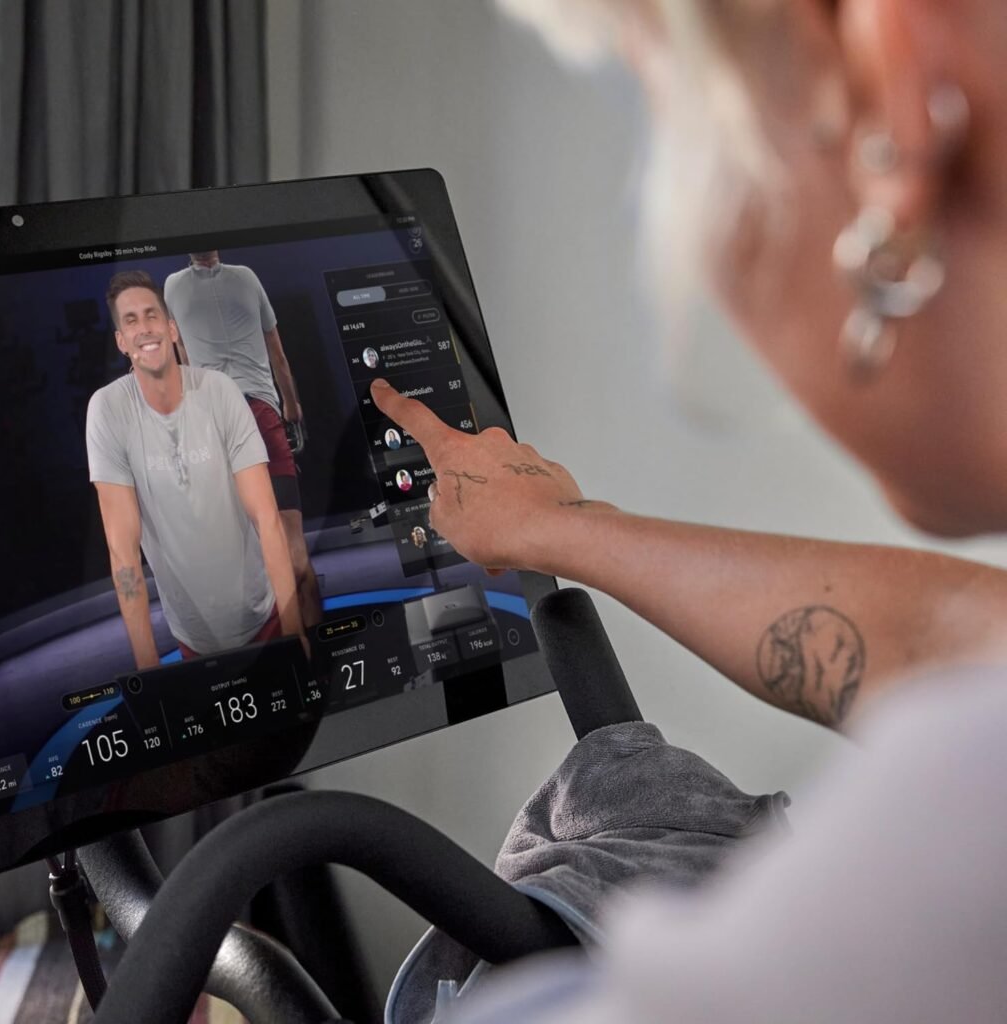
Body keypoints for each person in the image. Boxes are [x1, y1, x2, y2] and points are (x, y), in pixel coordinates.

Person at [370, 0, 1007, 1019]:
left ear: (891, 104)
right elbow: (943, 638)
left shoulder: (966, 825)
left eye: (661, 103)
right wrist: (562, 525)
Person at [87, 270, 305, 667]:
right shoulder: (108, 411)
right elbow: (123, 556)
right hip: (193, 639)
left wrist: (294, 633)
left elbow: (267, 519)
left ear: (172, 328)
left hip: (265, 615)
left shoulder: (219, 391)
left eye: (152, 315)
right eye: (130, 320)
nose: (144, 328)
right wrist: (150, 674)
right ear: (121, 341)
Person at [163, 251, 323, 629]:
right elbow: (278, 356)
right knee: (293, 547)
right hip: (261, 414)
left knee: (244, 552)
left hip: (214, 421)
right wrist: (292, 405)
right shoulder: (247, 277)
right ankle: (317, 655)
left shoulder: (172, 286)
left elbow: (183, 357)